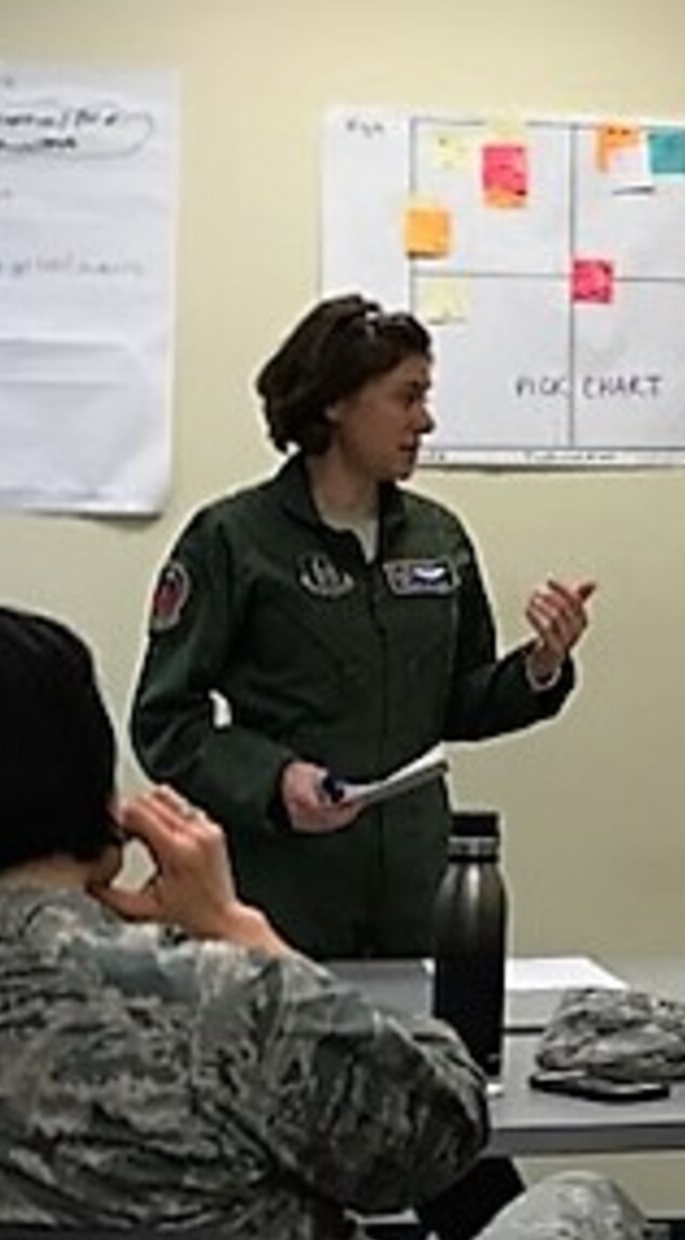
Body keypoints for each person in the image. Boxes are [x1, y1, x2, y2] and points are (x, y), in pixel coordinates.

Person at [0, 600, 663, 1240]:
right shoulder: (221, 1000)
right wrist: (239, 927)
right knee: (590, 1209)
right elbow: (439, 1133)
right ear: (77, 781)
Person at [130, 292, 594, 960]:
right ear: (334, 402)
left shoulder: (437, 537)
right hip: (283, 886)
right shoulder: (233, 540)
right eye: (406, 398)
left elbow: (458, 702)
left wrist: (541, 667)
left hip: (415, 881)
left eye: (426, 397)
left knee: (422, 1052)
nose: (425, 420)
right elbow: (166, 720)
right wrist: (274, 779)